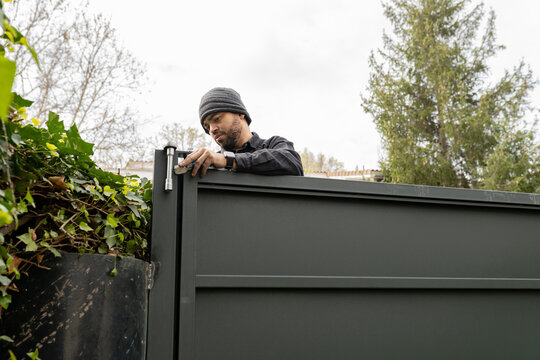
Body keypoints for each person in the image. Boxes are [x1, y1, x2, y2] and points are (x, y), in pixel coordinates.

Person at [179, 87, 304, 177]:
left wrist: (229, 161)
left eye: (217, 119)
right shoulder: (209, 164)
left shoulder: (274, 144)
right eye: (207, 127)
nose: (212, 129)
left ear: (240, 114)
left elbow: (293, 163)